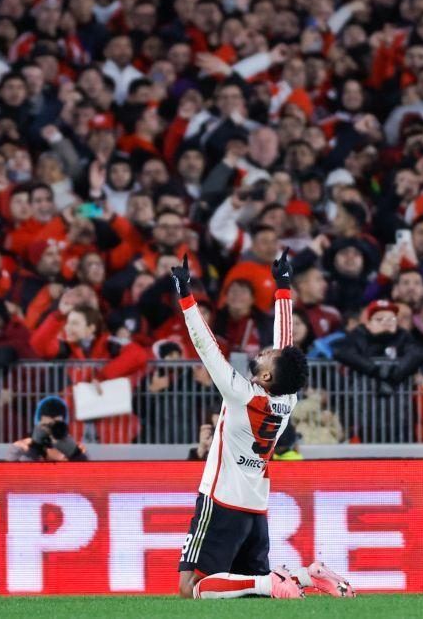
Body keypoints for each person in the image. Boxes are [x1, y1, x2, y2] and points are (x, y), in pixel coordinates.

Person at [171, 249, 353, 600]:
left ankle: (272, 583)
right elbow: (285, 343)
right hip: (255, 505)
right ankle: (307, 575)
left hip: (221, 500)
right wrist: (283, 288)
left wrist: (186, 297)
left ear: (267, 375)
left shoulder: (241, 394)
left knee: (189, 589)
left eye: (267, 356)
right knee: (243, 585)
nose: (264, 350)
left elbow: (206, 347)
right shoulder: (286, 398)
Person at [7, 396, 87, 462]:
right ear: (37, 425)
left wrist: (75, 455)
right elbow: (16, 479)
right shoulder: (21, 448)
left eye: (56, 426)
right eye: (46, 425)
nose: (50, 431)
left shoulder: (76, 449)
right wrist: (34, 448)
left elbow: (88, 479)